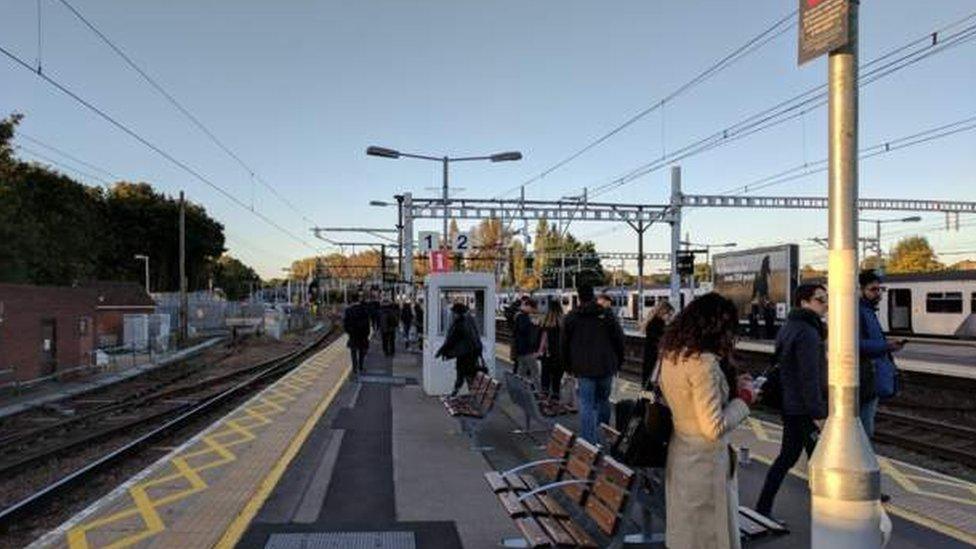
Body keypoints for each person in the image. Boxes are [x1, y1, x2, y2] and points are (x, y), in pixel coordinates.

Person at [658, 292, 757, 549]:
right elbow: (713, 427)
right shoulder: (705, 365)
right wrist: (744, 399)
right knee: (710, 538)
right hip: (705, 466)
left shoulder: (673, 356)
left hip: (681, 456)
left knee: (686, 536)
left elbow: (686, 401)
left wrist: (731, 386)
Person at [755, 284, 828, 519]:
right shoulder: (807, 332)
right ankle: (833, 516)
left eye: (826, 299)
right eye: (820, 299)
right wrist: (818, 412)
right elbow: (809, 375)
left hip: (791, 404)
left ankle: (763, 509)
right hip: (804, 408)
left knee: (788, 457)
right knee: (822, 459)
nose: (825, 304)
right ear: (804, 302)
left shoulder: (789, 326)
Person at [561, 283, 625, 444]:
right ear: (593, 296)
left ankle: (589, 441)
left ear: (579, 297)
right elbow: (619, 339)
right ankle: (603, 435)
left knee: (586, 403)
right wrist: (619, 361)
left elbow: (564, 345)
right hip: (606, 366)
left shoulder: (571, 317)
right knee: (604, 400)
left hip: (583, 368)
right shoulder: (606, 314)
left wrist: (568, 366)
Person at [436, 302, 484, 396]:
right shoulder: (469, 319)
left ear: (457, 313)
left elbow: (452, 339)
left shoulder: (461, 323)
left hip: (466, 353)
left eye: (454, 313)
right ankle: (462, 393)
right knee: (466, 373)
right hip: (471, 352)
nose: (453, 315)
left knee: (464, 373)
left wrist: (442, 351)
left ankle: (462, 394)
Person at [537, 299, 565, 400]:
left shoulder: (545, 322)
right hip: (560, 356)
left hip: (547, 355)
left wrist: (539, 351)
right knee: (557, 378)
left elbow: (543, 339)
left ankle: (545, 396)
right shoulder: (563, 323)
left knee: (545, 376)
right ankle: (555, 397)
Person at [641, 301, 674, 386]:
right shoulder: (658, 324)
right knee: (652, 382)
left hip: (650, 356)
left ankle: (645, 398)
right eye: (669, 315)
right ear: (663, 312)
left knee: (647, 381)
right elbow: (660, 340)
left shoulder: (653, 321)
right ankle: (647, 398)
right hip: (654, 357)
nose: (670, 317)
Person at [343, 293, 372, 374]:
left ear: (352, 300)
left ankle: (355, 367)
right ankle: (361, 366)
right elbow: (367, 323)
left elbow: (345, 324)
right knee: (362, 350)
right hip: (362, 334)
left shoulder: (348, 310)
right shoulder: (364, 309)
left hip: (353, 334)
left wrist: (349, 332)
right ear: (358, 299)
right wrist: (367, 333)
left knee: (353, 351)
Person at [513, 298, 540, 381]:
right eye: (532, 308)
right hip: (527, 349)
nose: (532, 311)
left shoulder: (519, 316)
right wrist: (534, 325)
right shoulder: (523, 317)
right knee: (535, 372)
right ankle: (537, 392)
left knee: (521, 372)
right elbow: (525, 331)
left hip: (520, 349)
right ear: (528, 306)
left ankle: (518, 390)